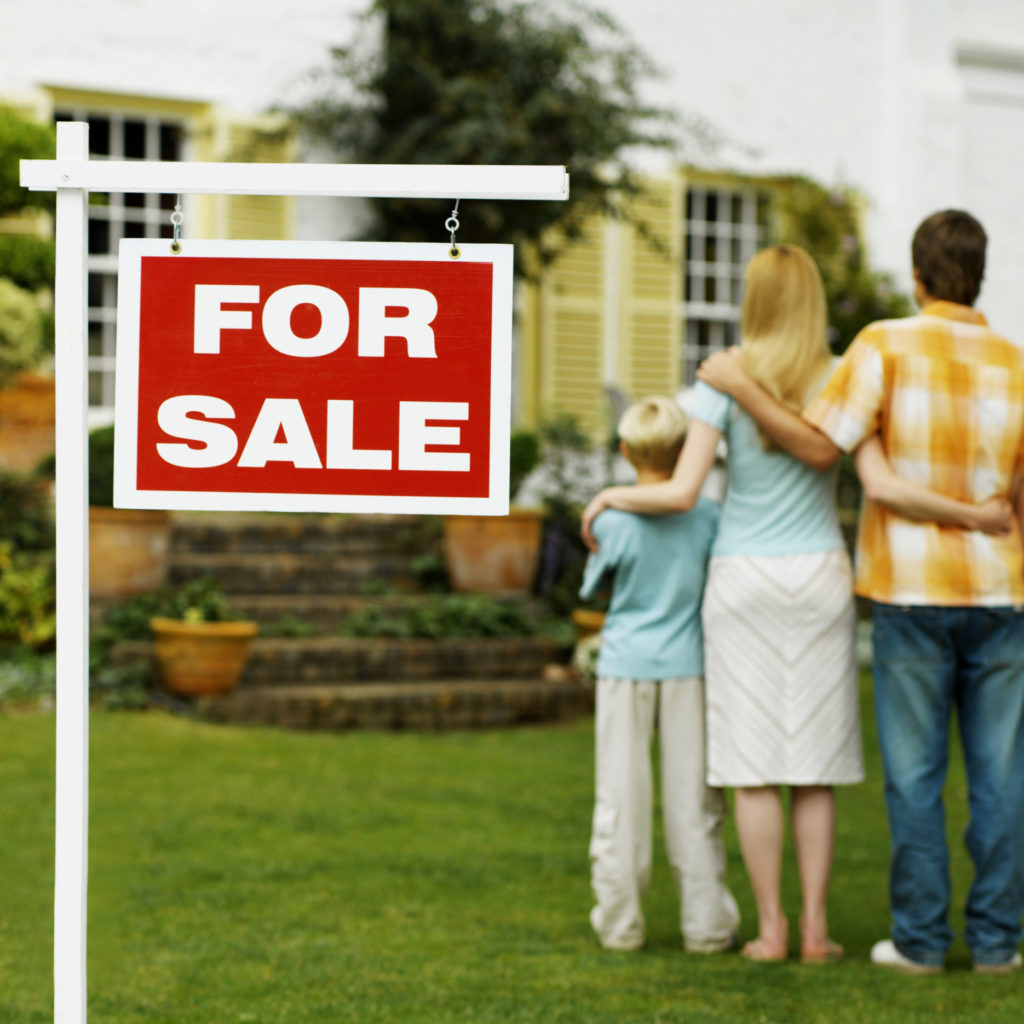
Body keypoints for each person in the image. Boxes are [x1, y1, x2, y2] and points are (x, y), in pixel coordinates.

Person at [581, 244, 1009, 965]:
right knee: (813, 766)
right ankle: (816, 931)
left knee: (751, 767)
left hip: (742, 577)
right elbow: (834, 457)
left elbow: (683, 492)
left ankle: (770, 929)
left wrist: (610, 494)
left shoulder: (725, 376)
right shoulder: (842, 371)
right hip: (817, 575)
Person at [696, 210, 1024, 975]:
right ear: (982, 275)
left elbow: (818, 446)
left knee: (915, 778)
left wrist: (743, 384)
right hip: (1002, 598)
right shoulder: (1017, 362)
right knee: (1002, 778)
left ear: (916, 275)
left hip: (910, 592)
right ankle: (998, 944)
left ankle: (917, 942)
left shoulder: (884, 344)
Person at [581, 395, 741, 953]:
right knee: (693, 799)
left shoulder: (612, 519)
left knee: (620, 795)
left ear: (626, 452)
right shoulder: (709, 516)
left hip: (624, 666)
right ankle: (707, 926)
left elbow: (593, 585)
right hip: (689, 669)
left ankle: (620, 923)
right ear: (683, 451)